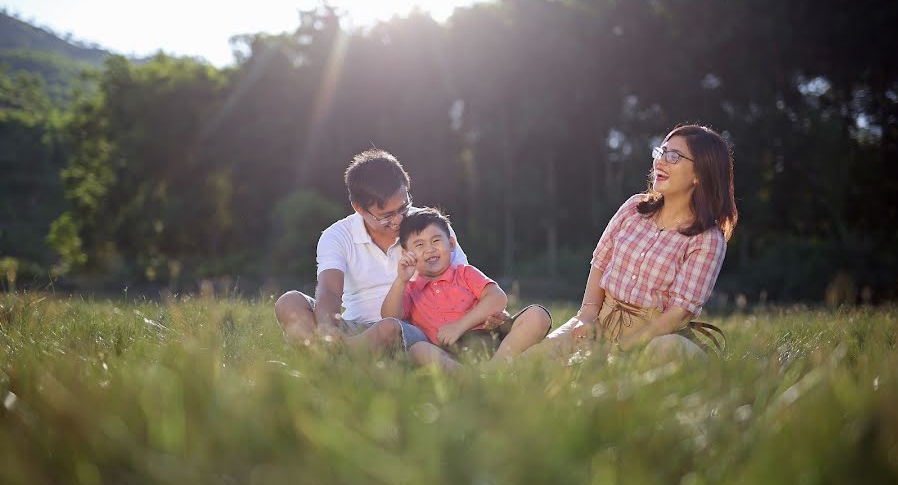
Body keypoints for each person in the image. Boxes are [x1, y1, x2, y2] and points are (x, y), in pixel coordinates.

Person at [528, 124, 738, 365]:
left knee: (660, 351)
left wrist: (624, 348)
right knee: (534, 363)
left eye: (674, 157)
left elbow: (680, 312)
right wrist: (586, 317)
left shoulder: (708, 239)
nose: (660, 162)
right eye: (661, 152)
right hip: (599, 321)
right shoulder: (634, 208)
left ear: (700, 174)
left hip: (654, 337)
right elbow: (600, 263)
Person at [274, 149, 506, 354]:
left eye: (403, 207)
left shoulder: (430, 227)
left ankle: (336, 361)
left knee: (390, 327)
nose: (398, 220)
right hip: (356, 328)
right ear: (358, 208)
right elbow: (330, 292)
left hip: (412, 330)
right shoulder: (337, 235)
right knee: (289, 302)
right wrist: (328, 330)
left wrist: (487, 318)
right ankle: (323, 355)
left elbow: (462, 279)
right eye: (386, 215)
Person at [381, 208, 552, 371]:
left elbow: (498, 298)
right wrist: (401, 280)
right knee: (418, 350)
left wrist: (460, 326)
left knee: (538, 315)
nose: (430, 249)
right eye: (419, 245)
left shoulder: (464, 273)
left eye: (436, 241)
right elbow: (390, 317)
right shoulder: (410, 289)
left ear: (451, 244)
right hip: (451, 354)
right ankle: (471, 377)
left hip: (493, 338)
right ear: (406, 254)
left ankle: (494, 370)